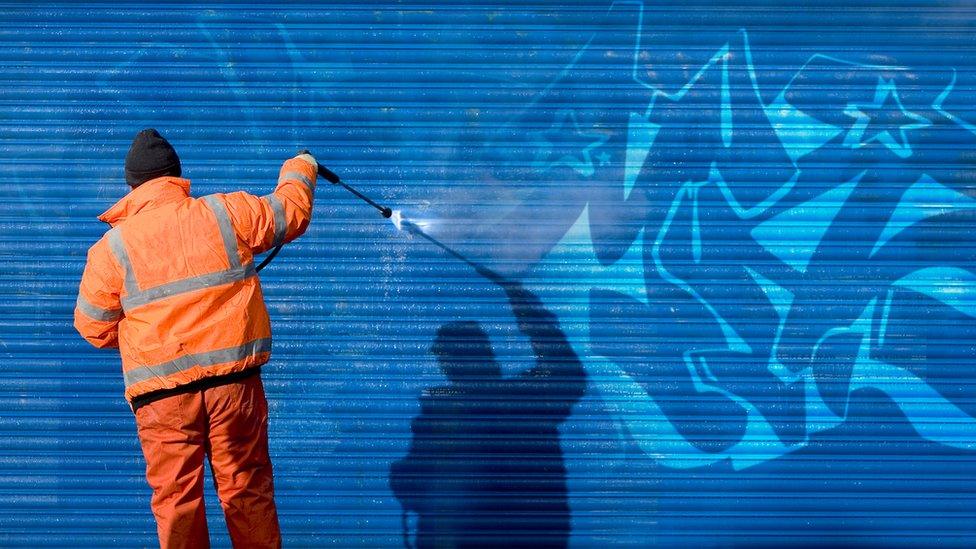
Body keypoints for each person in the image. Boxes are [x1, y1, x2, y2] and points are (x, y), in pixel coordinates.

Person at [74, 128, 317, 548]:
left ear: (131, 186)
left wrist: (150, 336)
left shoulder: (110, 250)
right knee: (246, 489)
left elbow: (93, 326)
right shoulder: (225, 213)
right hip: (233, 391)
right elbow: (289, 212)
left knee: (177, 503)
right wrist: (301, 166)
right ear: (176, 176)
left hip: (163, 400)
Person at [390, 279, 586, 548]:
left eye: (448, 358)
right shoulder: (523, 399)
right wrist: (533, 316)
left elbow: (412, 487)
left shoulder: (451, 412)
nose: (446, 367)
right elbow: (567, 375)